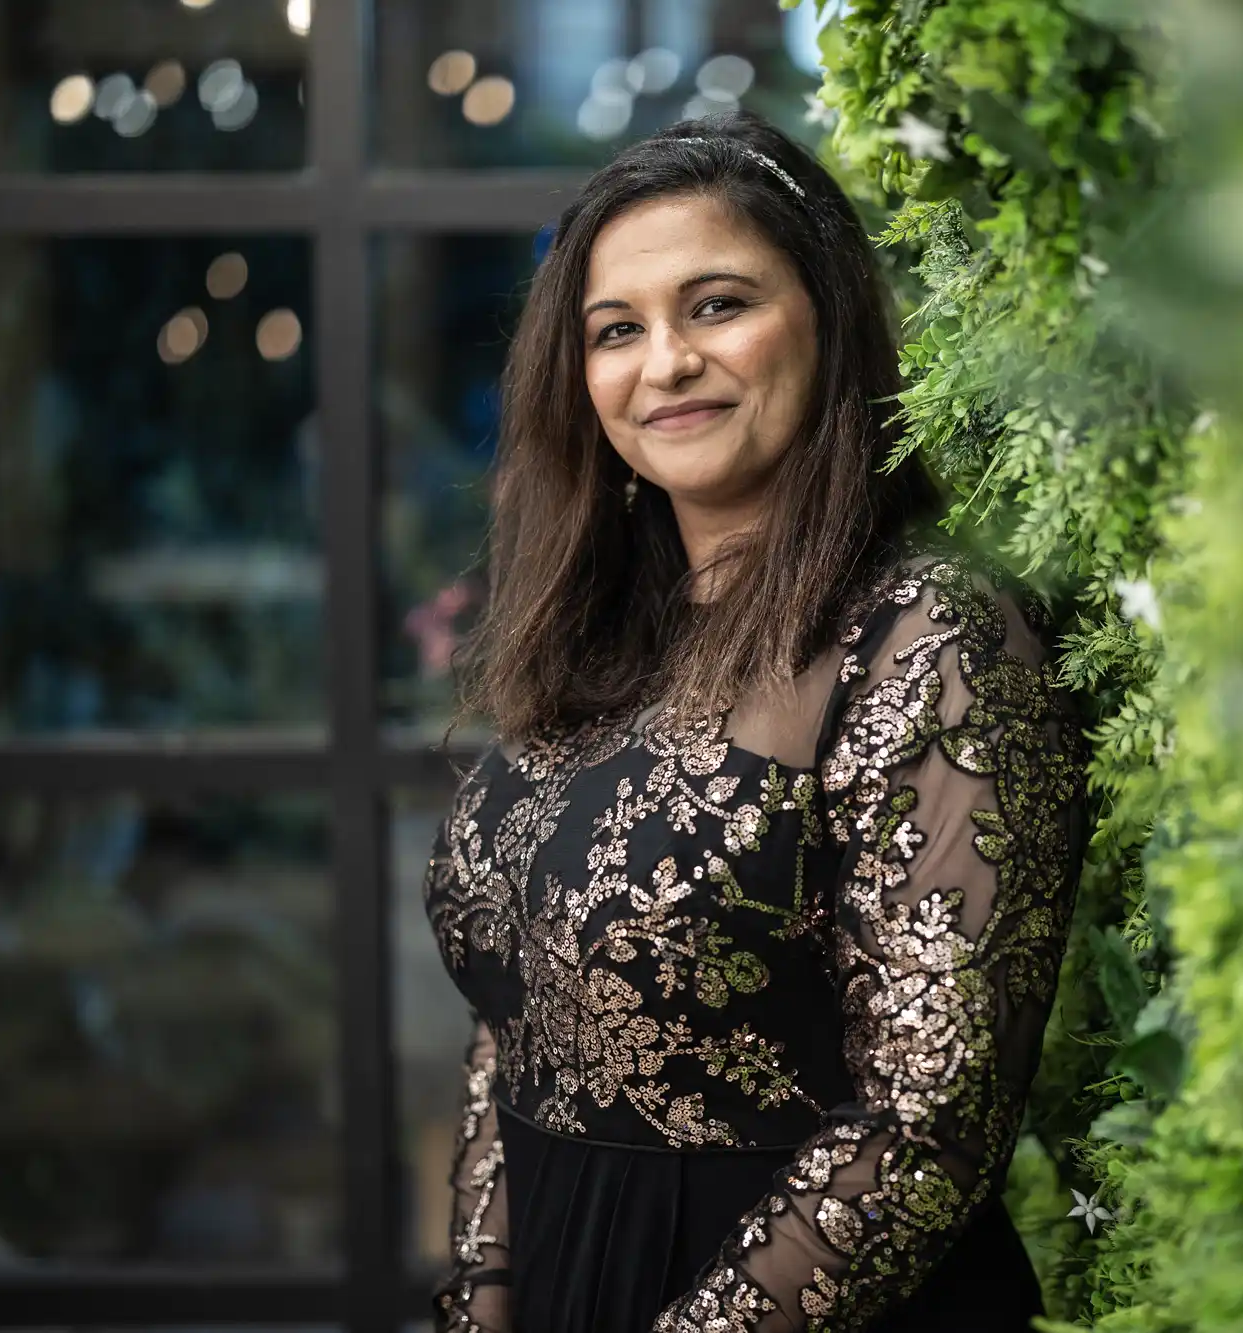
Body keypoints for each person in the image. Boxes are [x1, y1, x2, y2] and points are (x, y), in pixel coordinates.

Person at [421, 110, 1088, 1333]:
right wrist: (478, 1303)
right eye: (615, 330)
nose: (665, 362)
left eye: (716, 305)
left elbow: (926, 1121)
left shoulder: (929, 634)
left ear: (827, 322)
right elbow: (510, 1033)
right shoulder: (590, 639)